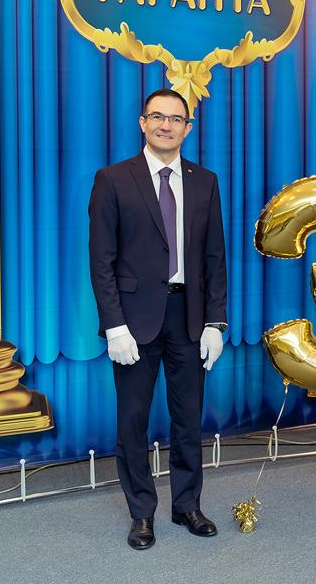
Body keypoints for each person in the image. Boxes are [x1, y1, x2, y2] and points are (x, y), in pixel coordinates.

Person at [88, 89, 228, 550]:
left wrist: (216, 322)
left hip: (189, 317)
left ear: (188, 128)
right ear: (142, 123)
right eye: (157, 116)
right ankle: (141, 513)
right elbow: (101, 261)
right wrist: (114, 326)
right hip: (134, 322)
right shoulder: (113, 179)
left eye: (176, 118)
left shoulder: (205, 181)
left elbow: (215, 258)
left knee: (188, 419)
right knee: (133, 421)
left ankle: (187, 505)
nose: (166, 125)